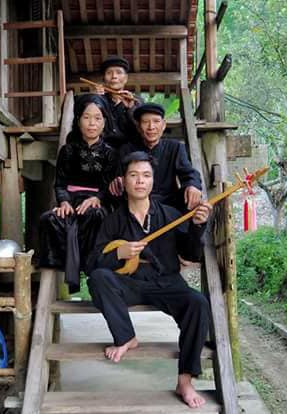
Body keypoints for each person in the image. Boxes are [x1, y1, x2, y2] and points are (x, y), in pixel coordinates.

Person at [86, 151, 213, 409]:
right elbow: (92, 264)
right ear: (124, 181)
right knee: (99, 278)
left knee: (198, 303)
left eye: (146, 175)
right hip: (131, 283)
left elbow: (191, 254)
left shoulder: (170, 214)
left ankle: (185, 381)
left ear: (153, 181)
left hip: (166, 281)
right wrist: (118, 254)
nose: (140, 181)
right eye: (133, 175)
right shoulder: (113, 220)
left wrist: (198, 226)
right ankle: (126, 337)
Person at [39, 94, 118, 293]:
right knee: (49, 219)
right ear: (78, 120)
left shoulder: (110, 153)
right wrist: (64, 202)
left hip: (97, 202)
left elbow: (108, 187)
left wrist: (96, 199)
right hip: (71, 201)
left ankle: (89, 264)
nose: (92, 123)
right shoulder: (67, 150)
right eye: (86, 117)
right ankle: (62, 264)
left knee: (94, 216)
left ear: (104, 122)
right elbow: (60, 183)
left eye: (97, 118)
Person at [109, 103, 203, 212]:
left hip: (168, 204)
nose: (151, 127)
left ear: (163, 125)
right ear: (138, 127)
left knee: (193, 198)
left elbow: (188, 172)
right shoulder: (126, 150)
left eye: (156, 121)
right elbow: (118, 179)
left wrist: (192, 185)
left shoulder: (175, 147)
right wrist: (118, 182)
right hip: (136, 205)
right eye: (145, 122)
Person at [93, 56, 143, 148]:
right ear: (104, 78)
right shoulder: (98, 99)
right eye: (109, 73)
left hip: (131, 150)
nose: (114, 76)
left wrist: (131, 108)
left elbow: (142, 129)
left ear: (126, 78)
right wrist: (96, 101)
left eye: (119, 72)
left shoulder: (136, 100)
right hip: (103, 149)